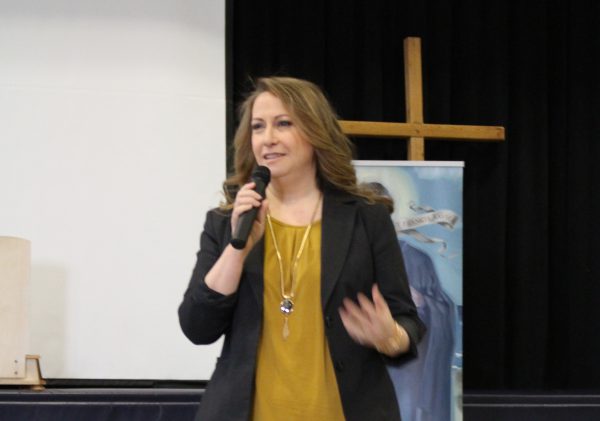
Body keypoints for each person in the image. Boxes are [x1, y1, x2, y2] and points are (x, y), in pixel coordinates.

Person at [178, 76, 426, 421]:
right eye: (258, 127)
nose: (268, 139)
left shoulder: (366, 218)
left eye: (283, 124)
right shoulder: (227, 221)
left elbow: (407, 321)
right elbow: (197, 327)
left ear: (315, 131)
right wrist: (236, 248)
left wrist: (390, 337)